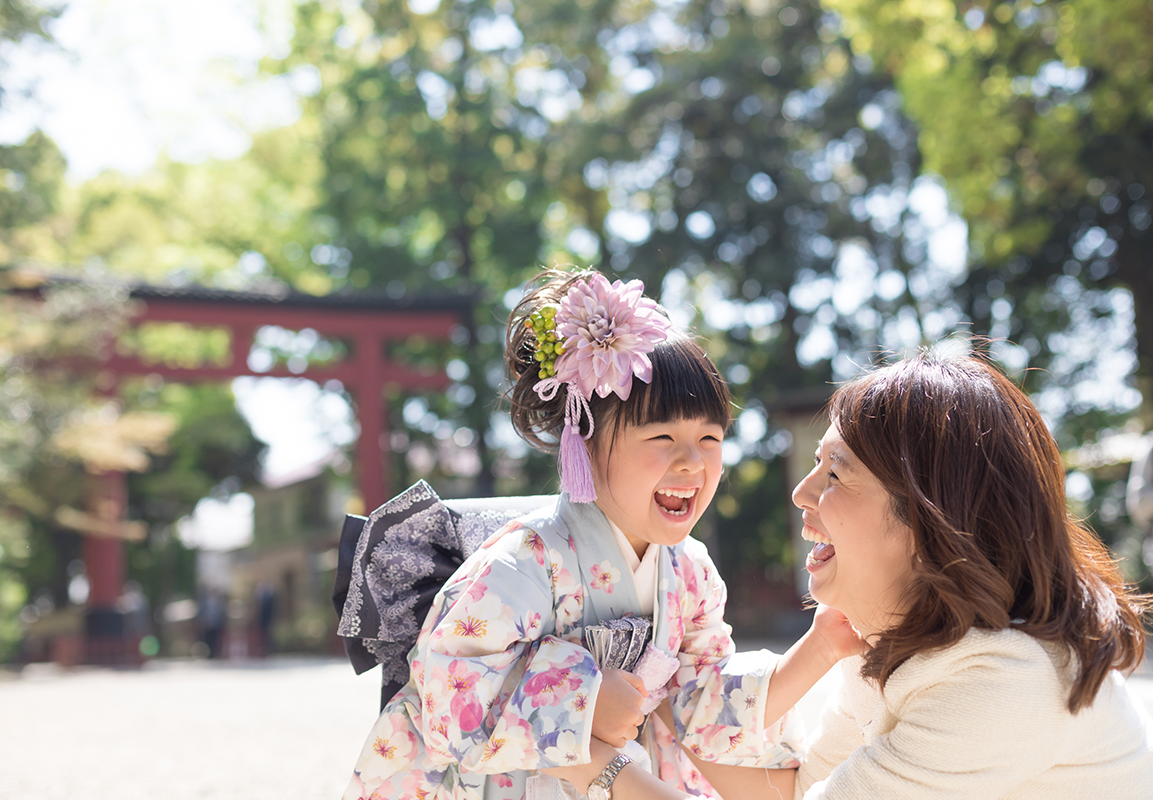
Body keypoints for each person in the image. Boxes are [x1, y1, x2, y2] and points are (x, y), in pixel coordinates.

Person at [545, 349, 1153, 800]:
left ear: (928, 520)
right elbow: (799, 788)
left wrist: (596, 766)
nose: (803, 494)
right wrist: (664, 700)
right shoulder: (903, 644)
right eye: (815, 466)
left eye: (836, 475)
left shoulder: (1002, 680)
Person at [344, 269, 854, 800]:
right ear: (584, 444)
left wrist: (820, 647)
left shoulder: (691, 569)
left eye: (709, 436)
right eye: (662, 435)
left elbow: (699, 700)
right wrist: (583, 697)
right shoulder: (524, 561)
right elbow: (450, 690)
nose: (692, 461)